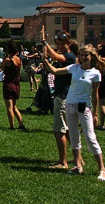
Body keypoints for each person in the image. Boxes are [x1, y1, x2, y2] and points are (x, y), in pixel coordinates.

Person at [43, 44, 105, 181]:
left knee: (90, 137)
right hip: (70, 105)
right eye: (82, 55)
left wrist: (95, 113)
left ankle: (102, 169)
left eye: (86, 55)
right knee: (74, 137)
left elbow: (95, 95)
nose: (84, 57)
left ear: (91, 57)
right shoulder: (74, 68)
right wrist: (45, 61)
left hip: (84, 107)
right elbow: (55, 71)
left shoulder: (96, 73)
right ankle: (78, 166)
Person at [42, 27, 76, 170]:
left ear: (68, 43)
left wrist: (45, 42)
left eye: (62, 44)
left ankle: (63, 162)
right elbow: (53, 56)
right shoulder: (68, 55)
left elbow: (55, 57)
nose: (60, 46)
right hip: (65, 95)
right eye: (58, 44)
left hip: (63, 96)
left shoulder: (69, 57)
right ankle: (77, 157)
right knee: (67, 130)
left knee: (59, 130)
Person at [0, 40, 26, 130]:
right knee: (14, 106)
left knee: (9, 107)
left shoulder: (8, 60)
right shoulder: (19, 59)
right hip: (16, 83)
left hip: (8, 83)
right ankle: (21, 124)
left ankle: (12, 126)